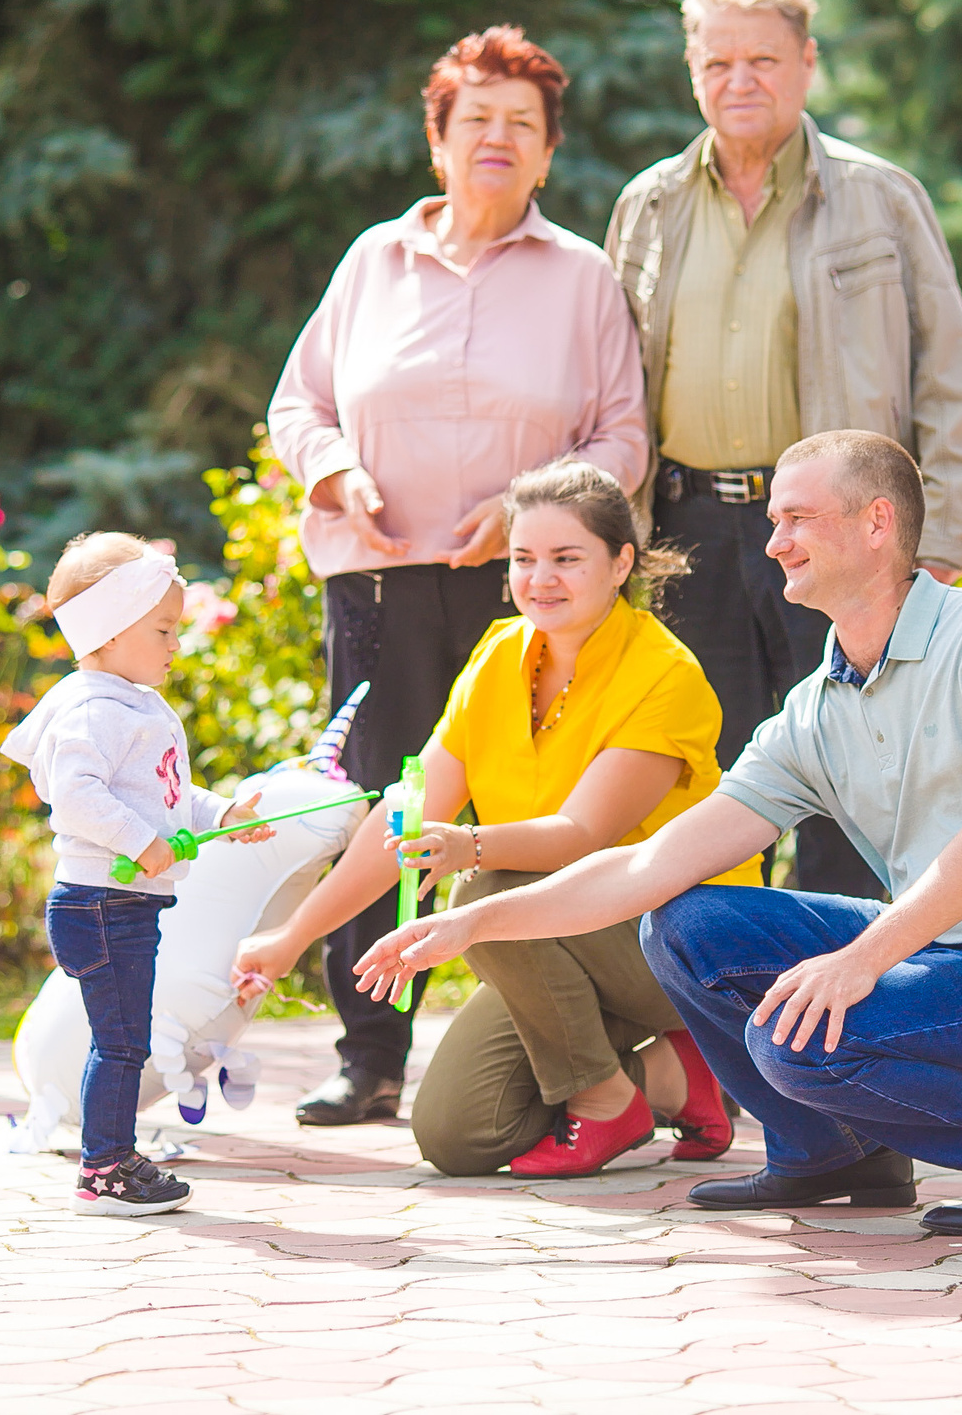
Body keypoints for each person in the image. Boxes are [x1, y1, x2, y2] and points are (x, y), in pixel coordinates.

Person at [353, 432, 962, 1239]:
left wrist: (859, 960)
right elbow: (653, 862)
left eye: (796, 517)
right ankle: (827, 1151)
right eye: (772, 519)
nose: (773, 541)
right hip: (936, 954)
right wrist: (472, 920)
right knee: (685, 924)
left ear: (876, 523)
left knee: (793, 1040)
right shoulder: (817, 711)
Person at [268, 27, 649, 1126]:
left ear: (546, 156)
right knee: (383, 812)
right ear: (437, 142)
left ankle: (564, 1044)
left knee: (528, 813)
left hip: (528, 596)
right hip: (382, 588)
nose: (496, 138)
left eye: (520, 126)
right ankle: (370, 1052)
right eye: (475, 119)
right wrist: (332, 471)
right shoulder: (371, 262)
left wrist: (532, 507)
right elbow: (299, 404)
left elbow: (623, 436)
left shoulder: (580, 278)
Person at [233, 462, 758, 1178]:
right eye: (523, 558)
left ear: (622, 562)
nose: (540, 578)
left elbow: (582, 835)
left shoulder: (666, 673)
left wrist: (468, 846)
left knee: (480, 891)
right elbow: (407, 814)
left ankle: (607, 1097)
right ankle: (676, 1074)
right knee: (457, 1133)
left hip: (675, 940)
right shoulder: (496, 655)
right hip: (553, 937)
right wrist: (291, 936)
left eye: (567, 558)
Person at [605, 0, 962, 899]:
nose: (739, 81)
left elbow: (951, 384)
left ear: (807, 62)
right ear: (692, 69)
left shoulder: (880, 196)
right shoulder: (648, 206)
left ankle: (847, 1020)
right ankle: (717, 1030)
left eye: (763, 60)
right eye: (718, 62)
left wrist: (934, 552)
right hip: (687, 535)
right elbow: (614, 387)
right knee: (705, 789)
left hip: (840, 536)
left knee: (851, 788)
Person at [1, 532, 272, 1215]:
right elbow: (78, 795)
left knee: (123, 1038)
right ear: (111, 630)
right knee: (123, 1042)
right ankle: (105, 1168)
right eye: (162, 629)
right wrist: (141, 840)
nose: (175, 644)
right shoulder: (94, 709)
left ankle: (110, 1156)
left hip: (123, 903)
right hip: (99, 904)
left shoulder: (134, 704)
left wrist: (227, 812)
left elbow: (169, 798)